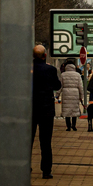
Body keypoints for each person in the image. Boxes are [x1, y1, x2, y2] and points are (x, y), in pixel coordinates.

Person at [32, 45, 61, 179]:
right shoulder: (51, 70)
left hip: (30, 108)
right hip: (46, 109)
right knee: (45, 141)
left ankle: (26, 166)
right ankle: (46, 170)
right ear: (44, 56)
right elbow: (57, 85)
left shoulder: (28, 70)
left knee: (28, 140)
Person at [61, 62, 84, 131]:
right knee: (74, 110)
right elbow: (81, 86)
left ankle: (68, 126)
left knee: (66, 110)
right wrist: (81, 96)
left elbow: (60, 85)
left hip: (65, 93)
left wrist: (57, 94)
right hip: (75, 93)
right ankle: (74, 125)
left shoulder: (63, 75)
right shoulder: (77, 75)